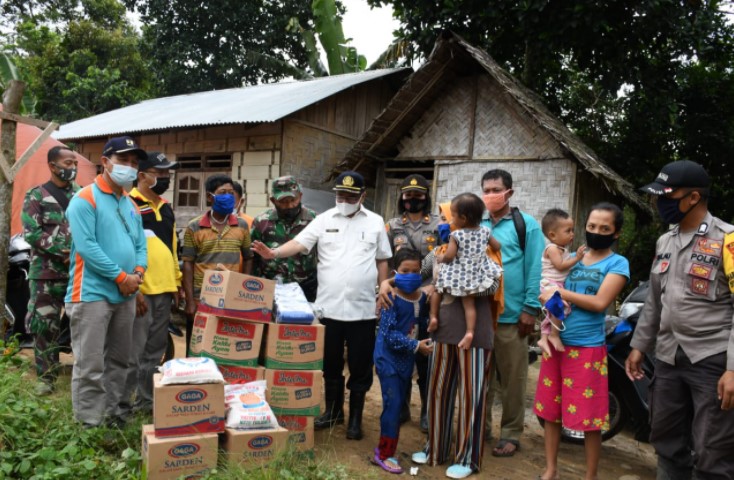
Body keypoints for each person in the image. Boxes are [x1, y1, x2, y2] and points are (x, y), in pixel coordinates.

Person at [252, 171, 391, 440]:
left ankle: (355, 421)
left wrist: (384, 285)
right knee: (330, 365)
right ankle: (334, 412)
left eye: (351, 196)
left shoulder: (375, 222)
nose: (345, 200)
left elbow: (383, 259)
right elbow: (299, 243)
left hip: (363, 310)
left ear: (363, 196)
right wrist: (274, 253)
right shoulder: (324, 219)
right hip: (328, 309)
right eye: (341, 195)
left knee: (361, 367)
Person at [626, 160, 734, 479]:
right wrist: (639, 346)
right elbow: (655, 302)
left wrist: (732, 369)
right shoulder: (665, 241)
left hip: (712, 358)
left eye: (666, 196)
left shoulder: (728, 240)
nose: (660, 203)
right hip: (668, 358)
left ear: (693, 198)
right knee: (666, 440)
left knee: (713, 449)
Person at [534, 202, 629, 480]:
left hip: (587, 347)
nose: (595, 232)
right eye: (591, 226)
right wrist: (546, 292)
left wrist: (557, 294)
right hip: (555, 342)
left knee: (590, 417)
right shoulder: (569, 255)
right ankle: (551, 469)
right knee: (551, 412)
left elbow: (600, 302)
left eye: (604, 228)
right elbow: (546, 279)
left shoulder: (617, 263)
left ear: (616, 233)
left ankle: (591, 476)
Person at [64, 136, 147, 427]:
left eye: (134, 163)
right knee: (90, 365)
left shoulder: (131, 205)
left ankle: (113, 415)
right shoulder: (84, 198)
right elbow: (87, 247)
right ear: (106, 162)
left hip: (124, 295)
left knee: (119, 361)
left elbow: (141, 245)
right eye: (124, 161)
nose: (130, 167)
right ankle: (89, 424)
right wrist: (122, 277)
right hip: (91, 294)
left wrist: (138, 273)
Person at [481, 169, 544, 457]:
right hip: (480, 315)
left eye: (496, 189)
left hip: (512, 316)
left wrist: (530, 309)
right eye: (487, 189)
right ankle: (480, 427)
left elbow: (535, 268)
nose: (491, 195)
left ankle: (511, 433)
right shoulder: (475, 222)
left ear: (509, 193)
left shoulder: (525, 225)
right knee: (480, 378)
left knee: (513, 380)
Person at [122, 151, 182, 415]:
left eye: (168, 173)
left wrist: (176, 283)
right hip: (141, 290)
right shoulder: (128, 204)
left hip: (165, 289)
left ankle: (145, 402)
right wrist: (135, 290)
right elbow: (124, 249)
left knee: (155, 351)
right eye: (160, 173)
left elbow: (172, 247)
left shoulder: (166, 206)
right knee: (133, 351)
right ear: (142, 175)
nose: (166, 177)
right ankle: (124, 403)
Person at [21, 145, 80, 396]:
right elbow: (32, 233)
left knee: (82, 324)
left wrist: (77, 255)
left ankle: (83, 376)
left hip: (79, 273)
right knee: (45, 326)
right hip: (45, 274)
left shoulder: (83, 195)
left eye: (74, 162)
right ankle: (47, 377)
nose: (73, 167)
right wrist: (63, 252)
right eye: (68, 163)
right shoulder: (36, 195)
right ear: (53, 166)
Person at [385, 173, 440, 431]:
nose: (413, 199)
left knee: (426, 357)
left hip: (430, 298)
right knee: (401, 352)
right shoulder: (392, 225)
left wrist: (433, 287)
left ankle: (427, 413)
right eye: (408, 195)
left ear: (426, 197)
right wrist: (386, 285)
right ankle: (402, 408)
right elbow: (385, 260)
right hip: (399, 299)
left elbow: (444, 260)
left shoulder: (439, 224)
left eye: (418, 195)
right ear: (402, 197)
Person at [372, 248, 433, 474]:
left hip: (405, 362)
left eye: (416, 271)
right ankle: (383, 453)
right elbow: (387, 334)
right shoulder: (390, 298)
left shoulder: (422, 297)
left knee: (396, 404)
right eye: (405, 271)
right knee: (394, 404)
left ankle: (388, 449)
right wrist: (416, 346)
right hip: (387, 358)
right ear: (396, 273)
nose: (411, 275)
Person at [181, 174, 253, 355]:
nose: (228, 196)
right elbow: (188, 264)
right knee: (196, 346)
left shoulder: (242, 225)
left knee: (224, 345)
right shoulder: (194, 226)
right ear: (209, 197)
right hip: (200, 298)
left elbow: (249, 257)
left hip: (230, 298)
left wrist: (243, 292)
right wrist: (189, 301)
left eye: (231, 193)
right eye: (223, 192)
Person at [431, 193, 502, 350]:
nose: (450, 220)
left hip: (460, 276)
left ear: (462, 218)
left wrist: (441, 258)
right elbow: (497, 247)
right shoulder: (485, 231)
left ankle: (434, 316)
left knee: (439, 289)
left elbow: (450, 256)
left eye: (453, 215)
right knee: (470, 306)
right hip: (478, 273)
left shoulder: (456, 235)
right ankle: (470, 332)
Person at [250, 176, 318, 301]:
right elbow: (252, 256)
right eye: (283, 201)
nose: (290, 205)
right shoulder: (261, 222)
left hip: (305, 286)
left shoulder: (313, 219)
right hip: (270, 287)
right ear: (273, 200)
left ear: (300, 196)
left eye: (293, 200)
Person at [536, 209, 586, 357]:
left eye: (572, 230)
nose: (572, 234)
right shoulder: (552, 249)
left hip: (556, 285)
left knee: (553, 313)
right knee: (559, 307)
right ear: (552, 235)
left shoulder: (561, 249)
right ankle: (554, 335)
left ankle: (543, 338)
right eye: (568, 231)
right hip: (550, 284)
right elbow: (560, 266)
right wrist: (577, 258)